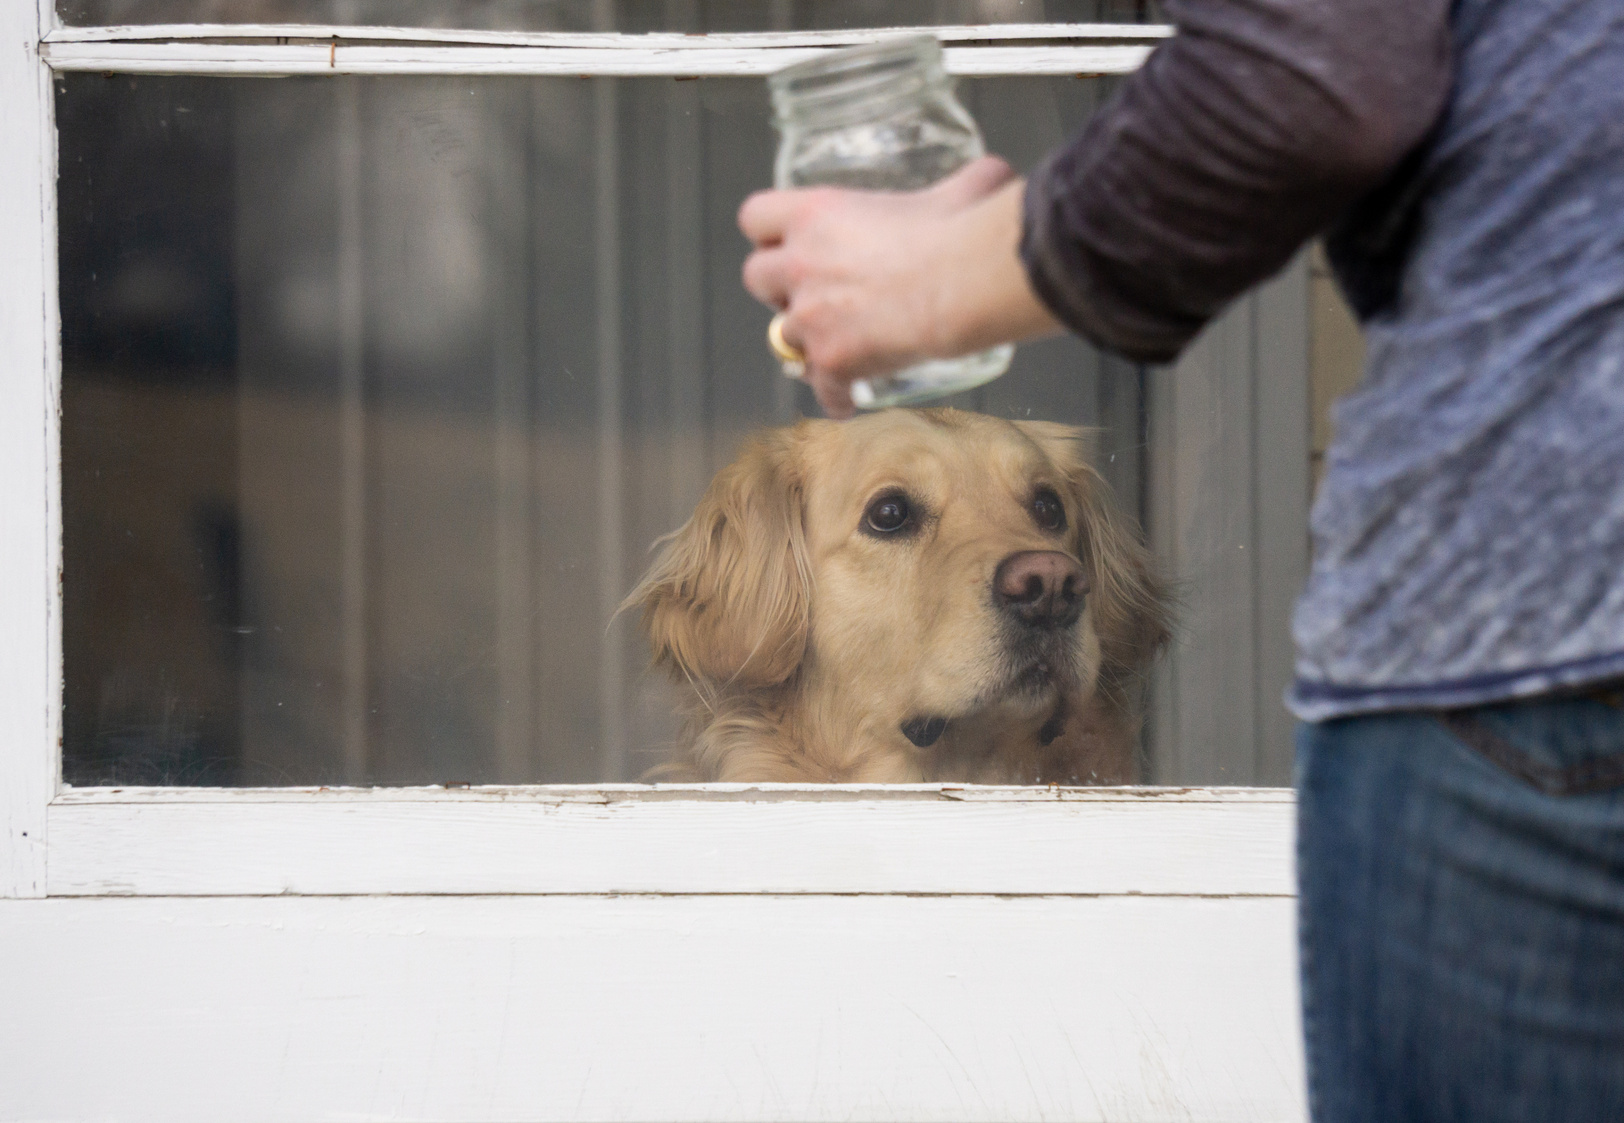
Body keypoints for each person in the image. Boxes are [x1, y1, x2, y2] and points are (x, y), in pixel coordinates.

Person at [738, 0, 1624, 1119]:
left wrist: (955, 270)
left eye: (1044, 517)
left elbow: (1315, 69)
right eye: (894, 518)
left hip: (1532, 608)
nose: (1034, 569)